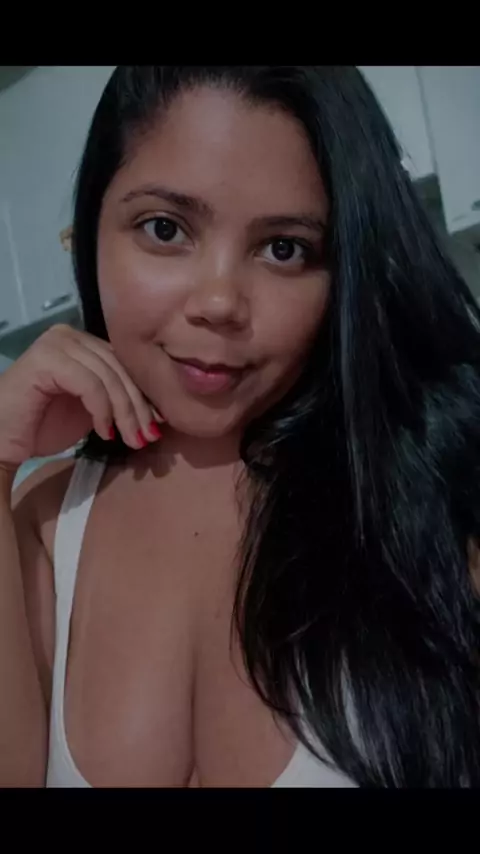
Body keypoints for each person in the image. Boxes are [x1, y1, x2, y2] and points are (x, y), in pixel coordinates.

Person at [0, 66, 479, 789]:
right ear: (91, 230)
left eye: (284, 247)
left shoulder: (432, 493)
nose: (220, 302)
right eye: (165, 229)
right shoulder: (43, 519)